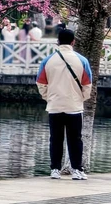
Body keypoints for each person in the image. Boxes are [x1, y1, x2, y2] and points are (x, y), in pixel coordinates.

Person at [35, 28, 93, 180]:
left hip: (55, 105)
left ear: (58, 42)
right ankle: (76, 169)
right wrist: (81, 98)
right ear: (73, 41)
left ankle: (55, 169)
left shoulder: (47, 61)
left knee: (55, 139)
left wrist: (48, 97)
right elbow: (88, 85)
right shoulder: (82, 60)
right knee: (75, 139)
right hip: (74, 106)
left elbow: (40, 82)